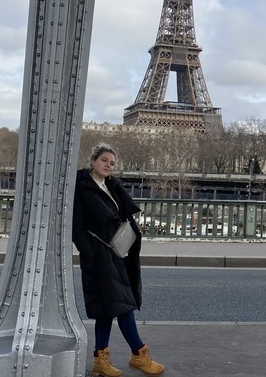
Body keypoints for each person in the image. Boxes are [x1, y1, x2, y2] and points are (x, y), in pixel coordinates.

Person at [72, 143, 164, 377]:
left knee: (108, 307)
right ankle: (139, 354)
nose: (108, 165)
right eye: (104, 160)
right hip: (100, 256)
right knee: (123, 305)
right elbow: (77, 226)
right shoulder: (81, 187)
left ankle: (101, 360)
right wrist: (91, 253)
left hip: (118, 253)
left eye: (112, 163)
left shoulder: (112, 187)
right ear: (93, 161)